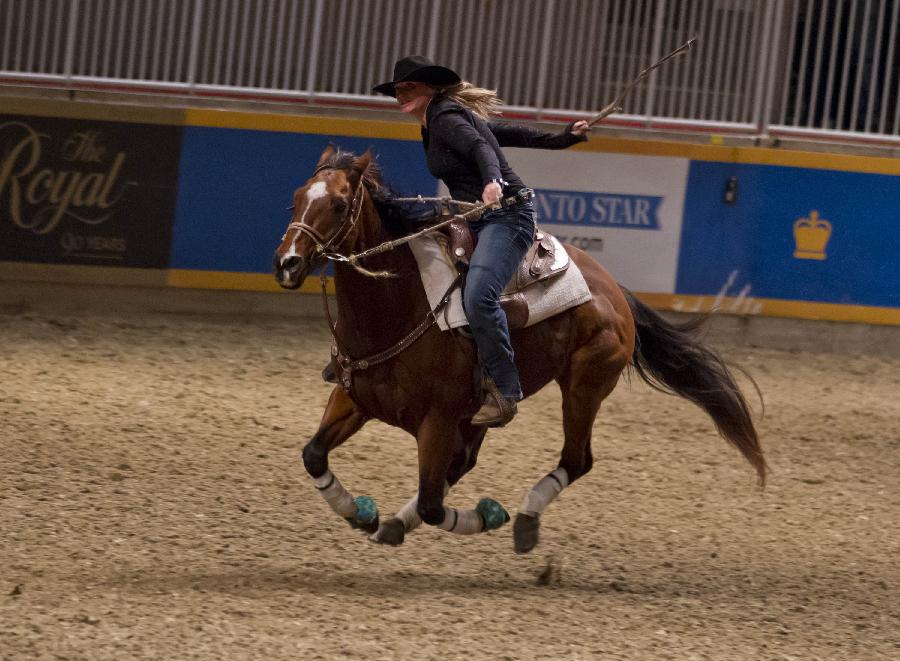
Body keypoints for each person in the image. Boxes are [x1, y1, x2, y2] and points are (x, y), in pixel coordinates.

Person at [373, 55, 589, 427]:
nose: (401, 94)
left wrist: (493, 181)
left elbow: (483, 149)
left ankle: (505, 390)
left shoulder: (444, 116)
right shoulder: (439, 118)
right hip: (477, 217)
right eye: (397, 90)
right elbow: (503, 135)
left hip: (507, 216)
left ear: (431, 88)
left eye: (409, 87)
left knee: (478, 296)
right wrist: (562, 139)